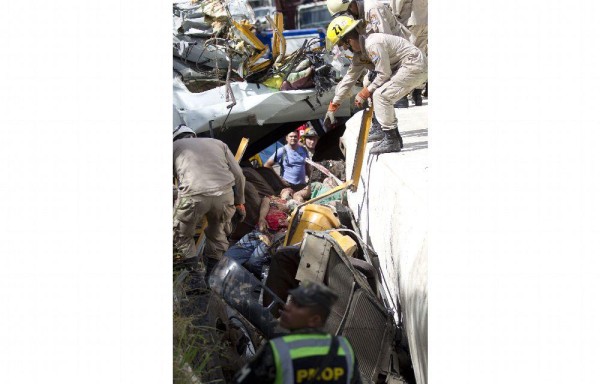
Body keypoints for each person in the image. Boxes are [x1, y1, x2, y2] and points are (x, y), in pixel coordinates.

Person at [323, 16, 427, 155]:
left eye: (343, 45)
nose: (345, 50)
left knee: (381, 95)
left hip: (414, 65)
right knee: (373, 87)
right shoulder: (361, 54)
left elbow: (384, 74)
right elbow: (349, 78)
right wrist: (334, 105)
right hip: (406, 66)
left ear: (348, 41)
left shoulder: (372, 44)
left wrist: (365, 92)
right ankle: (390, 134)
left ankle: (392, 139)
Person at [233, 281, 362, 384]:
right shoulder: (345, 348)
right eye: (291, 300)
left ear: (314, 320)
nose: (287, 307)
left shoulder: (278, 350)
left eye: (297, 305)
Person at [173, 124, 246, 272]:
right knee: (218, 234)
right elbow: (239, 175)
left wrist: (175, 193)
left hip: (193, 196)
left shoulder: (173, 146)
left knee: (181, 234)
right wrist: (239, 202)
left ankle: (195, 277)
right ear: (194, 135)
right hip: (224, 196)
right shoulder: (219, 143)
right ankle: (211, 276)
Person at [326, 0, 415, 109]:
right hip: (380, 53)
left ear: (350, 6)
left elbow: (383, 41)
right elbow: (351, 75)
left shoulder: (372, 9)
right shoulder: (357, 15)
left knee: (374, 85)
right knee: (368, 83)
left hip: (398, 57)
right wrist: (335, 102)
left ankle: (399, 98)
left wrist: (376, 72)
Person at [264, 131, 311, 202]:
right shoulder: (281, 151)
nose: (293, 138)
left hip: (302, 185)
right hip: (288, 186)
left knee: (302, 201)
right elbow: (267, 165)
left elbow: (307, 166)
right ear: (286, 138)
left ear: (298, 137)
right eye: (291, 136)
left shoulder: (303, 150)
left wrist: (311, 179)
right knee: (287, 202)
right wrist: (280, 179)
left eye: (295, 136)